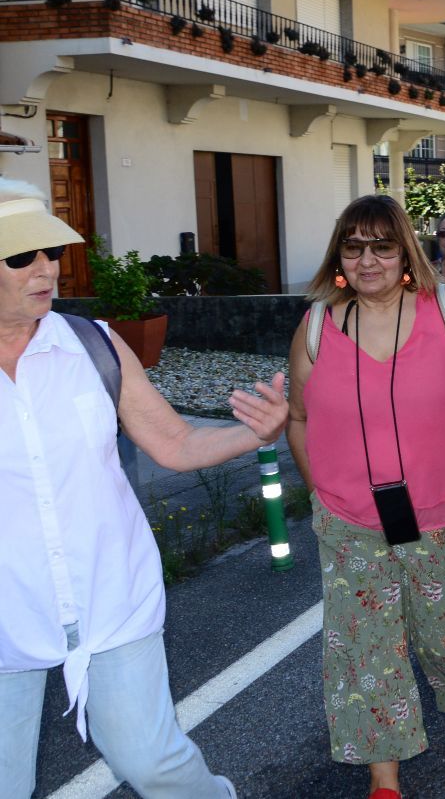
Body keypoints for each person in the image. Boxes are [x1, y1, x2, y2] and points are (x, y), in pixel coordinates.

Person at [0, 179, 288, 799]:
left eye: (49, 252)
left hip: (110, 595)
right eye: (22, 256)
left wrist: (253, 435)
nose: (46, 269)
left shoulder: (93, 345)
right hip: (6, 613)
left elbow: (175, 443)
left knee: (152, 762)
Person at [286, 195, 445, 799]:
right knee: (364, 649)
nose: (368, 259)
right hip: (350, 519)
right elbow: (297, 418)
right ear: (339, 256)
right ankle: (385, 775)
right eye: (353, 246)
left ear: (405, 250)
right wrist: (321, 491)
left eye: (382, 245)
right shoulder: (319, 325)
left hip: (440, 512)